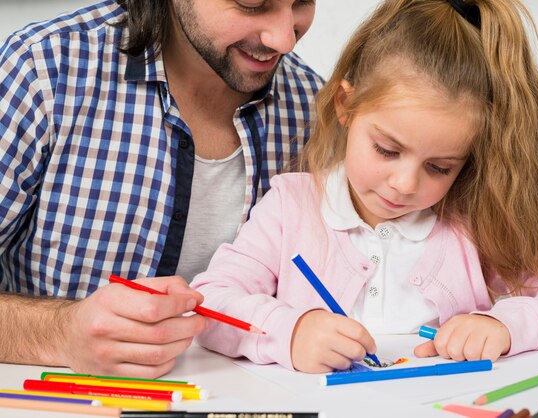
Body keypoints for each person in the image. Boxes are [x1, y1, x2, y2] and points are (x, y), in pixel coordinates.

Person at [190, 0, 538, 374]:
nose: (404, 184)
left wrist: (509, 325)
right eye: (387, 150)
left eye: (439, 166)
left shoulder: (471, 223)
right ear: (345, 105)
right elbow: (211, 302)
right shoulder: (291, 206)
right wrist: (289, 332)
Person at [0, 0, 323, 378]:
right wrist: (59, 333)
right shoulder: (45, 70)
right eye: (251, 4)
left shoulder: (312, 109)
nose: (284, 39)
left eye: (302, 2)